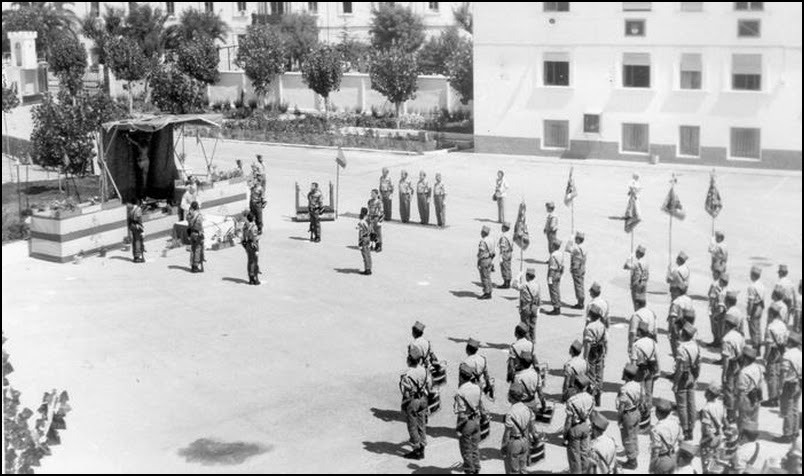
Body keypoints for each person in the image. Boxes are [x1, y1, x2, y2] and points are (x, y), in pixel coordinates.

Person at [400, 345, 432, 460]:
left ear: (409, 360)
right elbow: (429, 385)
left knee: (412, 426)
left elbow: (405, 392)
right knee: (421, 423)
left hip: (413, 400)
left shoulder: (407, 374)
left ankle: (416, 449)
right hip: (423, 399)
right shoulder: (425, 370)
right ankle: (422, 446)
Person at [674, 323, 701, 441]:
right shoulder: (695, 345)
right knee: (691, 403)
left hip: (683, 376)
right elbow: (699, 363)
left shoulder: (681, 348)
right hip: (692, 375)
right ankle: (692, 426)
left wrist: (675, 383)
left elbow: (679, 368)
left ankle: (685, 429)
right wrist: (696, 377)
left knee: (682, 405)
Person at [501, 381, 535, 474]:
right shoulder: (528, 409)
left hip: (514, 442)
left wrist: (504, 446)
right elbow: (531, 428)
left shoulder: (510, 413)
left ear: (511, 397)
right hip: (525, 440)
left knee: (513, 470)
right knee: (523, 469)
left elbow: (507, 433)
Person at [455, 363, 483, 474]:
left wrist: (458, 428)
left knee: (466, 450)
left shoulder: (460, 392)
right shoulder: (477, 387)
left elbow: (462, 414)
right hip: (476, 420)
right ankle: (476, 469)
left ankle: (469, 470)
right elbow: (480, 404)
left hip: (467, 423)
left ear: (460, 376)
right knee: (475, 448)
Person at [564, 374, 594, 474]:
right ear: (585, 386)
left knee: (574, 456)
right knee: (585, 453)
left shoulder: (572, 401)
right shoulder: (591, 398)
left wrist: (565, 434)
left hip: (575, 427)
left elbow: (568, 420)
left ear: (576, 386)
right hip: (586, 425)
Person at [776, 332, 801, 443]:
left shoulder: (787, 355)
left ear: (790, 342)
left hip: (789, 384)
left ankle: (787, 434)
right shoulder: (800, 354)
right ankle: (795, 431)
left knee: (787, 409)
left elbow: (783, 373)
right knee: (795, 408)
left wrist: (780, 387)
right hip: (799, 382)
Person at [631, 321, 659, 426]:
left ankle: (640, 418)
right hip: (650, 369)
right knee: (648, 393)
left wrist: (630, 375)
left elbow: (633, 362)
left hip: (639, 370)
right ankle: (647, 417)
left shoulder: (636, 344)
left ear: (639, 331)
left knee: (640, 394)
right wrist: (658, 371)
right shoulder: (653, 342)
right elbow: (657, 358)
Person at [762, 302, 789, 408]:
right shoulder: (783, 325)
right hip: (781, 351)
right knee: (778, 375)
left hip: (773, 352)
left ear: (771, 314)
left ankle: (772, 399)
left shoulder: (771, 327)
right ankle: (777, 395)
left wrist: (765, 356)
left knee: (771, 375)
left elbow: (769, 344)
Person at [721, 312, 746, 422]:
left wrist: (724, 374)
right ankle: (736, 411)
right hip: (739, 363)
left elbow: (726, 359)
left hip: (731, 364)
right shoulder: (739, 335)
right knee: (736, 389)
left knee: (728, 390)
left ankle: (730, 415)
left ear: (726, 325)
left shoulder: (726, 339)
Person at [618, 363, 642, 470]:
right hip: (636, 411)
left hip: (628, 414)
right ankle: (635, 453)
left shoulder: (624, 389)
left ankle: (632, 461)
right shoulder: (638, 385)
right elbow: (642, 399)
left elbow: (621, 406)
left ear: (626, 375)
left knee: (627, 438)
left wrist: (619, 419)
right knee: (634, 435)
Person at [650, 398, 683, 474]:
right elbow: (681, 440)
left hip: (662, 459)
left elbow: (656, 450)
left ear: (657, 413)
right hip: (674, 456)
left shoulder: (656, 429)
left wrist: (652, 466)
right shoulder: (676, 422)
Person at [700, 383, 727, 475]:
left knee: (707, 466)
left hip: (710, 439)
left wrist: (708, 440)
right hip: (720, 436)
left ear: (709, 394)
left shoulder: (706, 409)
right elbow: (725, 420)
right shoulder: (721, 405)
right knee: (716, 465)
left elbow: (706, 427)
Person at [736, 346, 764, 432]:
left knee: (743, 423)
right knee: (753, 422)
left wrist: (737, 407)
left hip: (746, 399)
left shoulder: (744, 372)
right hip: (756, 398)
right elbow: (761, 384)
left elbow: (741, 393)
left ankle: (742, 441)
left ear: (745, 358)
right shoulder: (758, 367)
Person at [584, 303, 608, 406]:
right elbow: (606, 341)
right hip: (600, 349)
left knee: (591, 374)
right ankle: (598, 395)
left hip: (592, 351)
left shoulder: (590, 327)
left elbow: (588, 344)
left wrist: (585, 357)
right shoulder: (602, 325)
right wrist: (605, 352)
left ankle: (591, 397)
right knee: (599, 374)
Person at [514, 268, 540, 343]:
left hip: (526, 307)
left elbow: (514, 285)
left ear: (527, 276)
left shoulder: (525, 285)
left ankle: (527, 341)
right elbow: (539, 297)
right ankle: (533, 340)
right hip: (534, 306)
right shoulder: (537, 284)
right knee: (533, 325)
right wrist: (538, 308)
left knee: (525, 324)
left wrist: (518, 277)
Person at [669, 283, 695, 358]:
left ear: (678, 291)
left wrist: (671, 331)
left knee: (675, 345)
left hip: (678, 326)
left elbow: (673, 318)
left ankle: (677, 362)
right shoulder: (689, 300)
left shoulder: (676, 302)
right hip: (689, 325)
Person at [707, 271, 729, 349]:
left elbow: (712, 298)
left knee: (717, 327)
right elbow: (711, 297)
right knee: (717, 328)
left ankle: (718, 342)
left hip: (719, 311)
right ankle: (716, 341)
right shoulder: (717, 287)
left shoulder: (723, 290)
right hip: (717, 309)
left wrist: (714, 313)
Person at [624, 244, 650, 311]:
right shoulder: (646, 263)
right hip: (644, 284)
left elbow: (625, 266)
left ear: (638, 253)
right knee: (642, 301)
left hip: (636, 284)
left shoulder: (636, 263)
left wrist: (629, 257)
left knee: (636, 302)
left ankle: (637, 316)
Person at [125, 133, 150, 199]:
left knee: (140, 177)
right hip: (146, 161)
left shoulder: (140, 146)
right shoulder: (147, 147)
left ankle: (141, 193)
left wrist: (128, 138)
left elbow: (134, 142)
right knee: (145, 178)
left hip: (141, 161)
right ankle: (144, 192)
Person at [568, 232, 587, 309]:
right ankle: (581, 301)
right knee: (581, 284)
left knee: (578, 286)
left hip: (576, 268)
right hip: (582, 267)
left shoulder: (577, 248)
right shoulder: (584, 246)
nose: (575, 239)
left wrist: (570, 239)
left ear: (578, 239)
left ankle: (580, 303)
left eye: (576, 238)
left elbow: (568, 249)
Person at [546, 240, 564, 315]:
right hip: (559, 272)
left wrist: (550, 277)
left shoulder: (553, 255)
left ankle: (556, 307)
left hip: (553, 274)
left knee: (553, 291)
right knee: (557, 290)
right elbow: (562, 266)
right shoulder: (561, 254)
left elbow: (552, 268)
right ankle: (558, 305)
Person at [477, 225, 495, 300]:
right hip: (490, 259)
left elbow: (481, 252)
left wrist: (478, 261)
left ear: (483, 233)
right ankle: (490, 290)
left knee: (484, 277)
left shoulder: (483, 241)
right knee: (488, 276)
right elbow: (494, 252)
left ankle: (487, 292)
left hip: (484, 260)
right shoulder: (491, 240)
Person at [242, 212, 260, 285]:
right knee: (255, 261)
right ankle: (255, 278)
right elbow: (254, 237)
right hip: (253, 245)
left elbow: (243, 236)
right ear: (253, 218)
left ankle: (250, 278)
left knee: (249, 261)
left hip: (247, 244)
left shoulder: (245, 226)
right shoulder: (253, 226)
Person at [187, 201, 204, 273]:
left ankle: (192, 265)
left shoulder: (189, 215)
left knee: (193, 249)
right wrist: (201, 233)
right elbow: (199, 225)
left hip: (191, 233)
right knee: (197, 249)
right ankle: (196, 266)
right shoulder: (198, 215)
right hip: (197, 233)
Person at [128, 199, 144, 263]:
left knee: (134, 240)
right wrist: (142, 229)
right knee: (138, 240)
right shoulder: (138, 209)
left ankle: (134, 255)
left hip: (132, 225)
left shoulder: (130, 209)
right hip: (137, 226)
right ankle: (138, 256)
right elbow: (139, 219)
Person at [357, 207, 372, 275]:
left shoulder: (361, 222)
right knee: (368, 254)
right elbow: (371, 230)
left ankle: (367, 269)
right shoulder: (369, 221)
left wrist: (359, 242)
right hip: (368, 238)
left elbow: (360, 232)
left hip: (363, 238)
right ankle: (369, 267)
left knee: (365, 254)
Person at [498, 222, 513, 289]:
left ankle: (506, 283)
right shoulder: (509, 235)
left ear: (504, 228)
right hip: (509, 252)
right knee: (508, 267)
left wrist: (501, 255)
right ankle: (508, 281)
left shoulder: (504, 237)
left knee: (504, 268)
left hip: (505, 253)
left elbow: (502, 247)